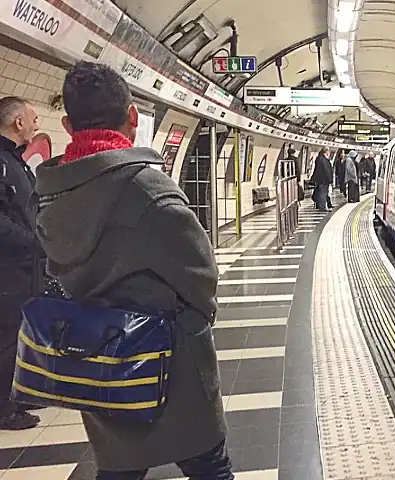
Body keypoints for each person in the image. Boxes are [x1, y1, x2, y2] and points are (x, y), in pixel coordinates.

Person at [34, 61, 233, 479]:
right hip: (173, 358)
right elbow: (200, 273)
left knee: (121, 465)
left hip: (99, 358)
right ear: (133, 118)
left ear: (69, 126)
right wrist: (196, 322)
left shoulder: (50, 200)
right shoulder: (147, 189)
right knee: (208, 465)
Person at [0, 96, 42, 431]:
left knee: (20, 333)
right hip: (7, 268)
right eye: (33, 118)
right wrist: (33, 241)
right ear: (17, 123)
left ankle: (19, 395)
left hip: (24, 267)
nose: (36, 124)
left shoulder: (16, 161)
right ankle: (4, 409)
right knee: (6, 336)